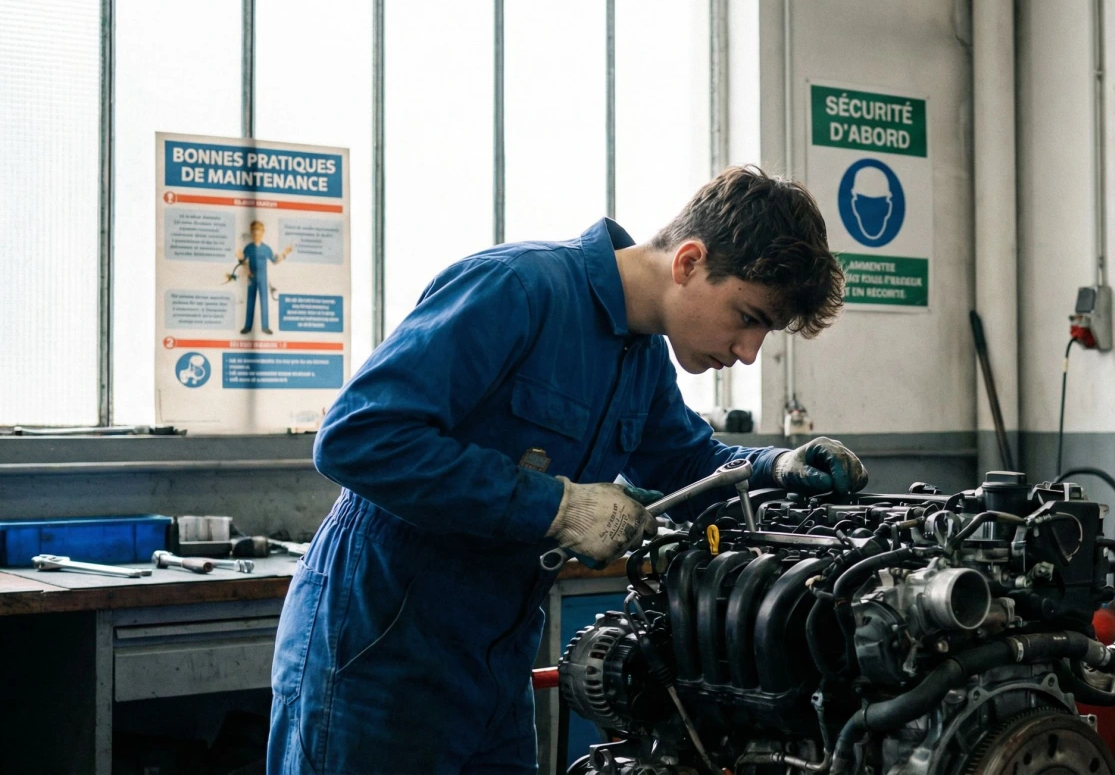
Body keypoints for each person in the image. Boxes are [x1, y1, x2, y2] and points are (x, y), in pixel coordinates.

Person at [268, 165, 869, 773]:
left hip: (495, 663)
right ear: (688, 262)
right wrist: (556, 507)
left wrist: (778, 466)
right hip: (378, 648)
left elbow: (691, 465)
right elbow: (357, 437)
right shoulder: (517, 290)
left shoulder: (641, 357)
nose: (747, 352)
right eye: (748, 316)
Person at [236, 219, 294, 334]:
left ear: (263, 232)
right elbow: (243, 262)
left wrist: (284, 253)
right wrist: (240, 258)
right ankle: (247, 326)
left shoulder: (266, 249)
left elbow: (275, 261)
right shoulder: (248, 248)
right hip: (251, 277)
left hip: (263, 278)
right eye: (254, 232)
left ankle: (265, 327)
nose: (256, 235)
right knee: (250, 301)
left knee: (264, 301)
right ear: (251, 232)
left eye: (259, 232)